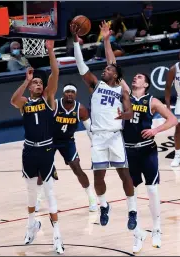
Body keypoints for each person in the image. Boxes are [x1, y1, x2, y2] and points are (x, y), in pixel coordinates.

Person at [101, 21, 178, 253]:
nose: (134, 79)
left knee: (152, 191)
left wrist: (155, 130)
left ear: (146, 84)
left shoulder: (152, 101)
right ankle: (138, 234)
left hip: (147, 149)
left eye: (138, 78)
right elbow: (111, 64)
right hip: (127, 150)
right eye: (133, 77)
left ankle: (156, 229)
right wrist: (106, 39)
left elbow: (172, 120)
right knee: (130, 193)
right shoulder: (124, 93)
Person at [71, 22, 138, 230]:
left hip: (115, 136)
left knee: (124, 174)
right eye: (105, 68)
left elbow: (131, 113)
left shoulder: (122, 91)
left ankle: (132, 211)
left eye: (108, 69)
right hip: (98, 136)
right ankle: (103, 205)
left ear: (115, 75)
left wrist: (123, 114)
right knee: (98, 176)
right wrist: (75, 43)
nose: (105, 70)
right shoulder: (96, 85)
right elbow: (82, 67)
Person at [10, 40, 64, 254]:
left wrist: (50, 51)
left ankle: (57, 236)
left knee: (50, 193)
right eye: (36, 83)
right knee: (31, 193)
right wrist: (26, 81)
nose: (39, 85)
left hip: (46, 150)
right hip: (29, 150)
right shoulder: (25, 103)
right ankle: (31, 225)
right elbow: (13, 100)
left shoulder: (48, 99)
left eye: (41, 83)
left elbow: (55, 74)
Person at [40, 84, 98, 212]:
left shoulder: (81, 109)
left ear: (75, 94)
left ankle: (91, 197)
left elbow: (89, 129)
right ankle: (38, 198)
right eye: (67, 92)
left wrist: (95, 144)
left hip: (67, 141)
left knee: (76, 167)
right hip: (51, 140)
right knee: (43, 168)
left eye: (72, 92)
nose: (70, 94)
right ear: (63, 93)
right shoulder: (55, 104)